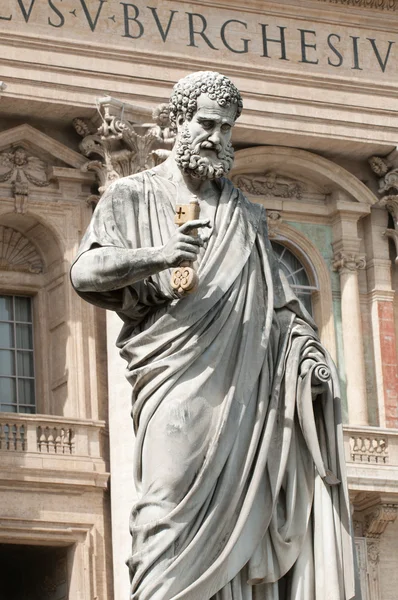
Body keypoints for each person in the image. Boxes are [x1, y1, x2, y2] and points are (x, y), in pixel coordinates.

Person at [71, 71, 357, 600]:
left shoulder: (245, 214)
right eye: (206, 123)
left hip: (246, 387)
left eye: (226, 129)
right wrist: (160, 255)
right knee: (166, 506)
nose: (217, 138)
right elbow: (85, 274)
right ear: (177, 121)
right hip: (175, 376)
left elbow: (280, 306)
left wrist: (307, 358)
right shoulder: (132, 193)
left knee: (243, 518)